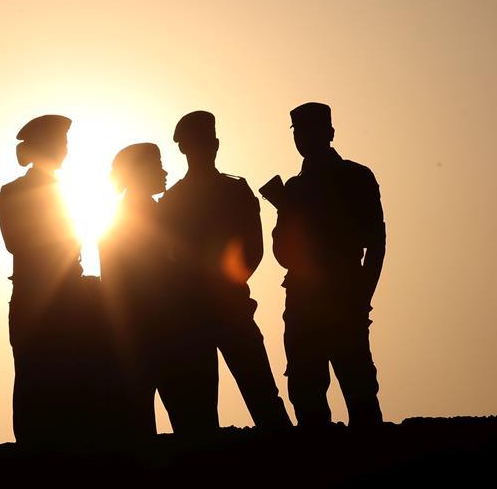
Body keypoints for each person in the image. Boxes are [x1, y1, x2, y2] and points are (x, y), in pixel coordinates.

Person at [158, 111, 292, 430]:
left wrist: (225, 285)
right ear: (185, 149)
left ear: (215, 144)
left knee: (262, 395)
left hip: (229, 307)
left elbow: (253, 250)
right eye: (196, 143)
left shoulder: (235, 190)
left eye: (207, 141)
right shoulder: (173, 201)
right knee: (202, 407)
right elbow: (167, 260)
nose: (205, 148)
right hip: (194, 315)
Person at [271, 102, 385, 427]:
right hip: (303, 302)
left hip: (343, 296)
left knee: (359, 389)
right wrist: (289, 214)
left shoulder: (356, 177)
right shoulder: (294, 189)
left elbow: (376, 241)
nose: (304, 138)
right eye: (299, 132)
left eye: (311, 130)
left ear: (330, 133)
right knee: (306, 394)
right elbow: (283, 255)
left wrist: (362, 296)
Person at [0, 114, 86, 442]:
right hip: (37, 300)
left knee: (69, 382)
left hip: (66, 301)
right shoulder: (13, 192)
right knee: (34, 381)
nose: (66, 150)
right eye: (61, 143)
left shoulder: (64, 192)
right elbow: (17, 242)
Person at [98, 143, 169, 437]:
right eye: (156, 165)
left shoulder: (160, 214)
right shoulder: (124, 223)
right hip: (151, 336)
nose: (164, 172)